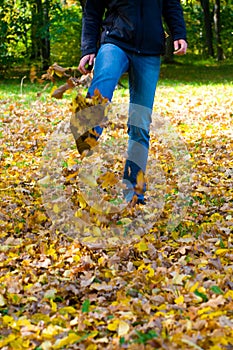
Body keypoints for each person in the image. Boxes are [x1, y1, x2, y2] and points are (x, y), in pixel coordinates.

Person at [75, 0, 187, 205]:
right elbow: (92, 11)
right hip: (115, 41)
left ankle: (134, 195)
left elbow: (171, 4)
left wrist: (179, 34)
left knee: (140, 125)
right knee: (104, 80)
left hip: (150, 50)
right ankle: (85, 130)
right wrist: (88, 48)